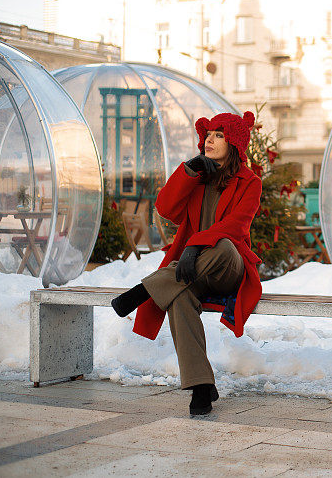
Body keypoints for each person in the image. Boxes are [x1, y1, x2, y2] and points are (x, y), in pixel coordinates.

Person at [110, 111, 263, 416]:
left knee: (221, 244)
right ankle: (201, 387)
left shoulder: (250, 181)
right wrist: (188, 171)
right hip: (189, 272)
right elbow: (166, 208)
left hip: (226, 266)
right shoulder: (198, 177)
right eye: (208, 134)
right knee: (178, 298)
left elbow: (236, 227)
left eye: (219, 135)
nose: (210, 140)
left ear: (233, 142)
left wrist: (195, 245)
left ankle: (145, 290)